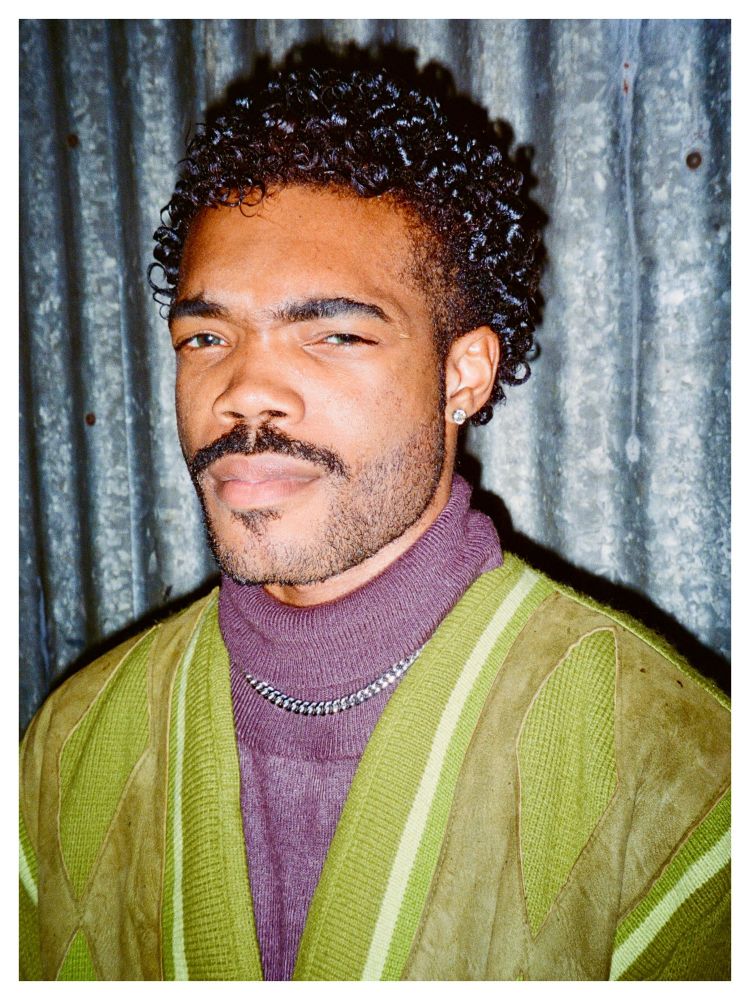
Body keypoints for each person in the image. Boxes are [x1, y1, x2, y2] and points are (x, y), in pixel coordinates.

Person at [19, 55, 729, 982]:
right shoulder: (72, 746)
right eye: (207, 337)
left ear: (462, 375)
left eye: (335, 334)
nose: (244, 392)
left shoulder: (668, 767)